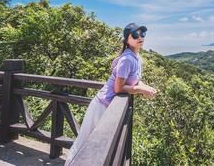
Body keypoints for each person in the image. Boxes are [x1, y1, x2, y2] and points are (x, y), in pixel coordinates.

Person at [65, 23, 157, 165]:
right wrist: (140, 90)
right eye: (135, 35)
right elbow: (118, 88)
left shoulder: (137, 58)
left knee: (96, 144)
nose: (140, 37)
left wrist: (146, 87)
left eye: (142, 34)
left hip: (110, 107)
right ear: (127, 39)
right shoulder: (127, 59)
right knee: (87, 142)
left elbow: (135, 80)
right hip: (102, 105)